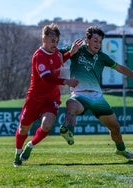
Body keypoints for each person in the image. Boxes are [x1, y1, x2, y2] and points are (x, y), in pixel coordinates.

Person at [59, 26, 133, 160]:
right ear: (87, 40)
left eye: (100, 42)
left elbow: (120, 68)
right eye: (95, 40)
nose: (98, 44)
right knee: (71, 104)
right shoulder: (77, 49)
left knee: (115, 127)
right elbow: (55, 56)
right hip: (80, 94)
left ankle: (121, 150)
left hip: (97, 97)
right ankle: (67, 130)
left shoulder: (102, 57)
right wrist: (70, 52)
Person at [13, 23, 82, 167]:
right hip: (34, 98)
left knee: (47, 124)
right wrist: (66, 81)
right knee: (23, 128)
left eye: (57, 41)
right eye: (52, 41)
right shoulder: (38, 56)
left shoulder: (57, 53)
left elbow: (59, 60)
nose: (55, 44)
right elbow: (47, 78)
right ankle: (18, 153)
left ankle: (30, 146)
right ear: (44, 38)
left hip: (51, 98)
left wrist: (71, 52)